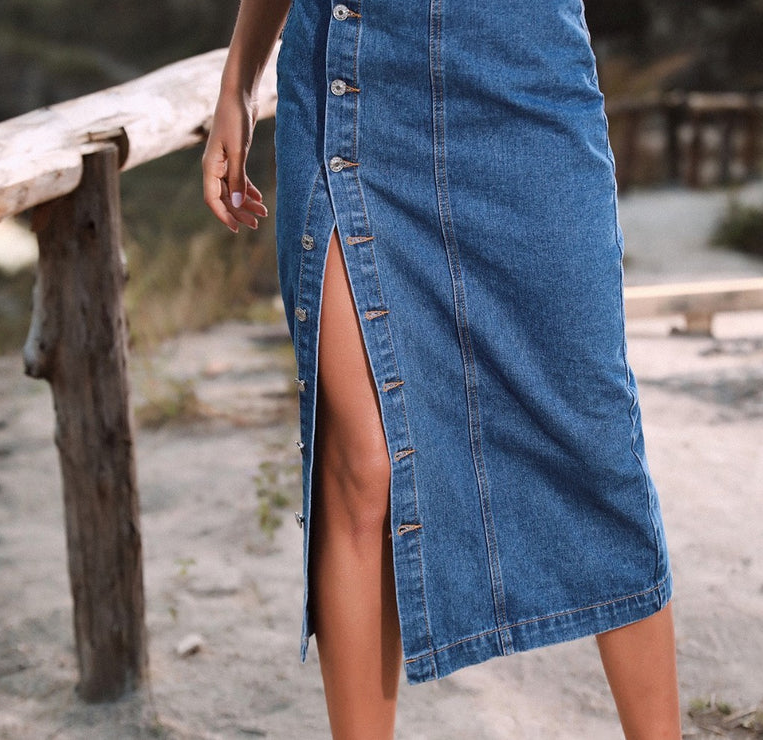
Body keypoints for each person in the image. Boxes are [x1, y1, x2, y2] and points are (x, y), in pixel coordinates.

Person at [203, 1, 682, 737]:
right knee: (359, 468)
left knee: (592, 441)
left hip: (518, 76)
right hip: (349, 75)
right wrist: (239, 79)